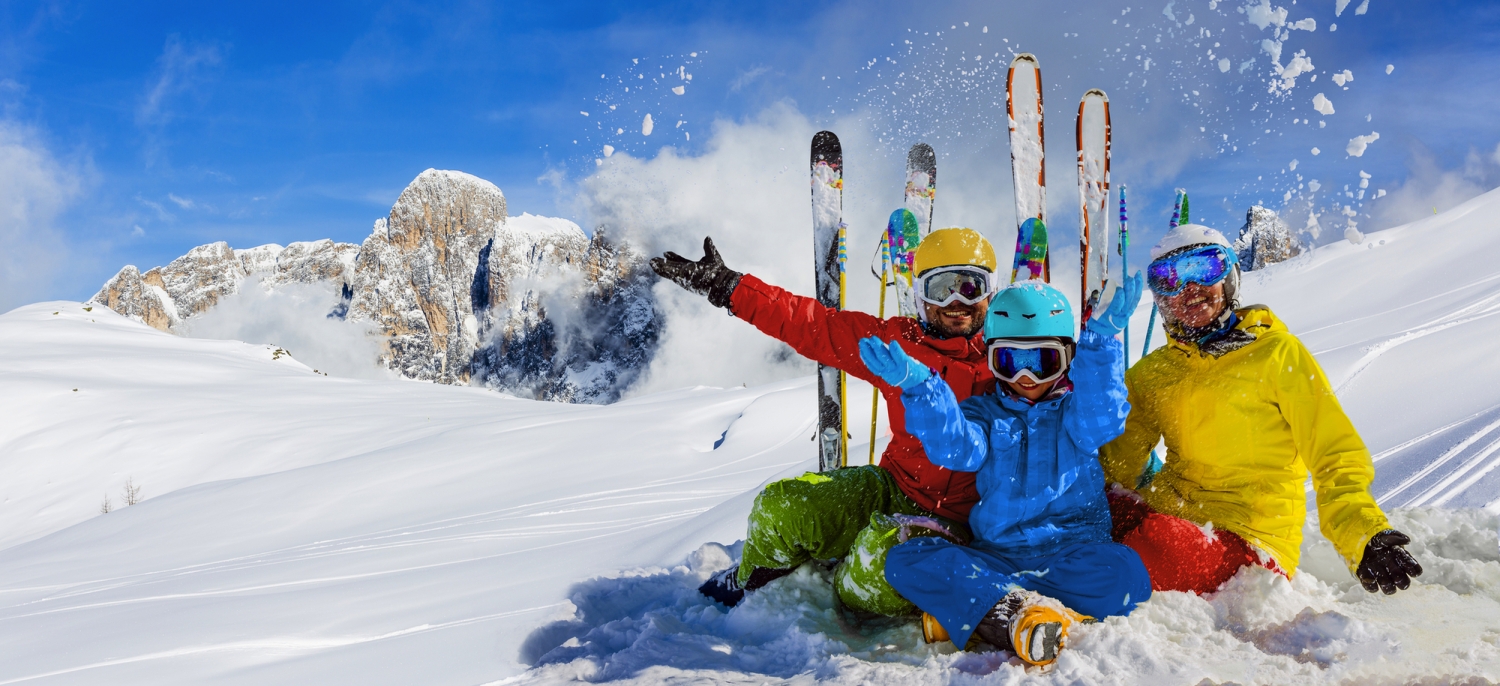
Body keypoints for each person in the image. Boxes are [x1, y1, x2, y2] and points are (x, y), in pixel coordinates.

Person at [649, 228, 1001, 614]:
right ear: (919, 294)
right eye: (940, 288)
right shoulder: (898, 345)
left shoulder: (1014, 359)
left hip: (961, 522)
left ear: (990, 291)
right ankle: (755, 578)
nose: (955, 301)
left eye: (970, 287)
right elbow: (813, 324)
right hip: (893, 488)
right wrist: (728, 287)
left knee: (875, 573)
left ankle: (841, 584)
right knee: (781, 506)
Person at [1099, 224, 1423, 596]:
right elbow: (1116, 466)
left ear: (1231, 278)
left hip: (1249, 539)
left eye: (1205, 268)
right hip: (1169, 513)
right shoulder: (1154, 373)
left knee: (1156, 543)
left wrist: (1362, 532)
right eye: (1169, 278)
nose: (1189, 288)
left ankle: (1093, 586)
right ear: (1159, 298)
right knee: (1093, 517)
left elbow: (1334, 453)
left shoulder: (1277, 354)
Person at [861, 277, 1152, 666]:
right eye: (1011, 362)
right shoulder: (984, 413)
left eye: (1043, 360)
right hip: (997, 556)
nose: (1026, 377)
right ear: (994, 360)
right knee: (906, 559)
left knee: (1126, 573)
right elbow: (956, 447)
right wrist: (922, 388)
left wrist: (1099, 343)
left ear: (1066, 358)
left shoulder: (1075, 413)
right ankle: (1022, 612)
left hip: (1072, 554)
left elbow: (1104, 421)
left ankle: (981, 611)